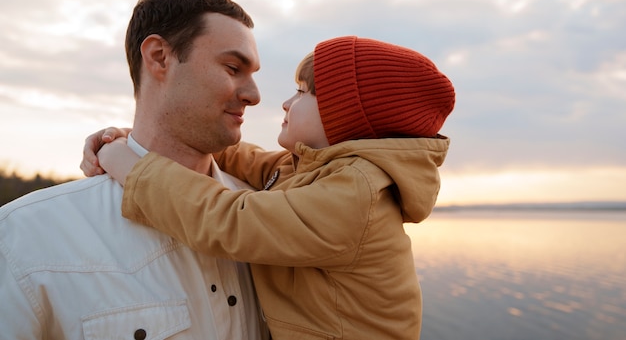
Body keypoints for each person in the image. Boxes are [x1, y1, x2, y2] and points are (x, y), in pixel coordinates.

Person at [84, 36, 456, 339]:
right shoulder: (314, 171)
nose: (285, 102)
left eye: (302, 92)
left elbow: (230, 222)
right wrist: (137, 137)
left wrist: (128, 165)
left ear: (345, 115)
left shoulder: (358, 195)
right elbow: (247, 159)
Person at [0, 0, 269, 340]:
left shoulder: (270, 218)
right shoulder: (25, 237)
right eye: (234, 67)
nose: (254, 95)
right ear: (159, 56)